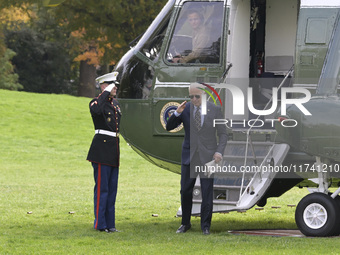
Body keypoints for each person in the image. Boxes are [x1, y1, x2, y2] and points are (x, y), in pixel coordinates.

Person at [166, 83, 227, 235]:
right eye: (191, 96)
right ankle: (185, 223)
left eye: (197, 96)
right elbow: (169, 127)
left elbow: (223, 134)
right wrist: (177, 114)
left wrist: (219, 152)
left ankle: (205, 226)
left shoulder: (215, 109)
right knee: (185, 190)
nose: (194, 99)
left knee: (207, 192)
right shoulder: (185, 109)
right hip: (190, 156)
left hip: (208, 156)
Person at [87, 72, 122, 233]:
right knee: (102, 189)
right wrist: (105, 93)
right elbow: (96, 111)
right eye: (111, 84)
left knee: (112, 189)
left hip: (113, 151)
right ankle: (100, 224)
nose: (115, 87)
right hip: (101, 150)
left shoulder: (114, 104)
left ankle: (110, 224)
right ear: (103, 86)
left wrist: (109, 93)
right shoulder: (96, 102)